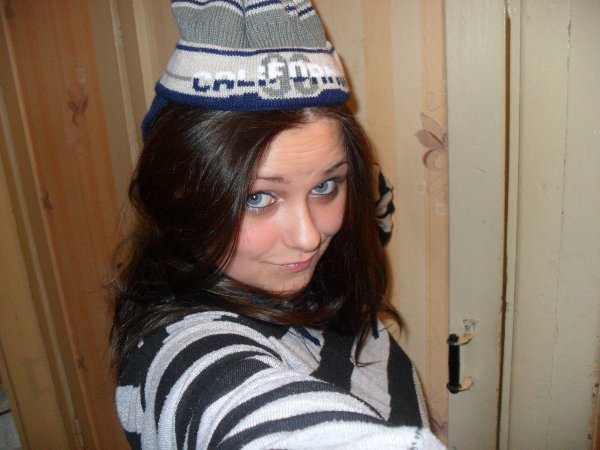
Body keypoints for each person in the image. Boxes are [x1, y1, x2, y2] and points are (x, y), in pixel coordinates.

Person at [110, 1, 444, 448]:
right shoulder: (188, 353)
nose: (309, 237)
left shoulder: (323, 266)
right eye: (258, 198)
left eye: (325, 186)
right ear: (181, 197)